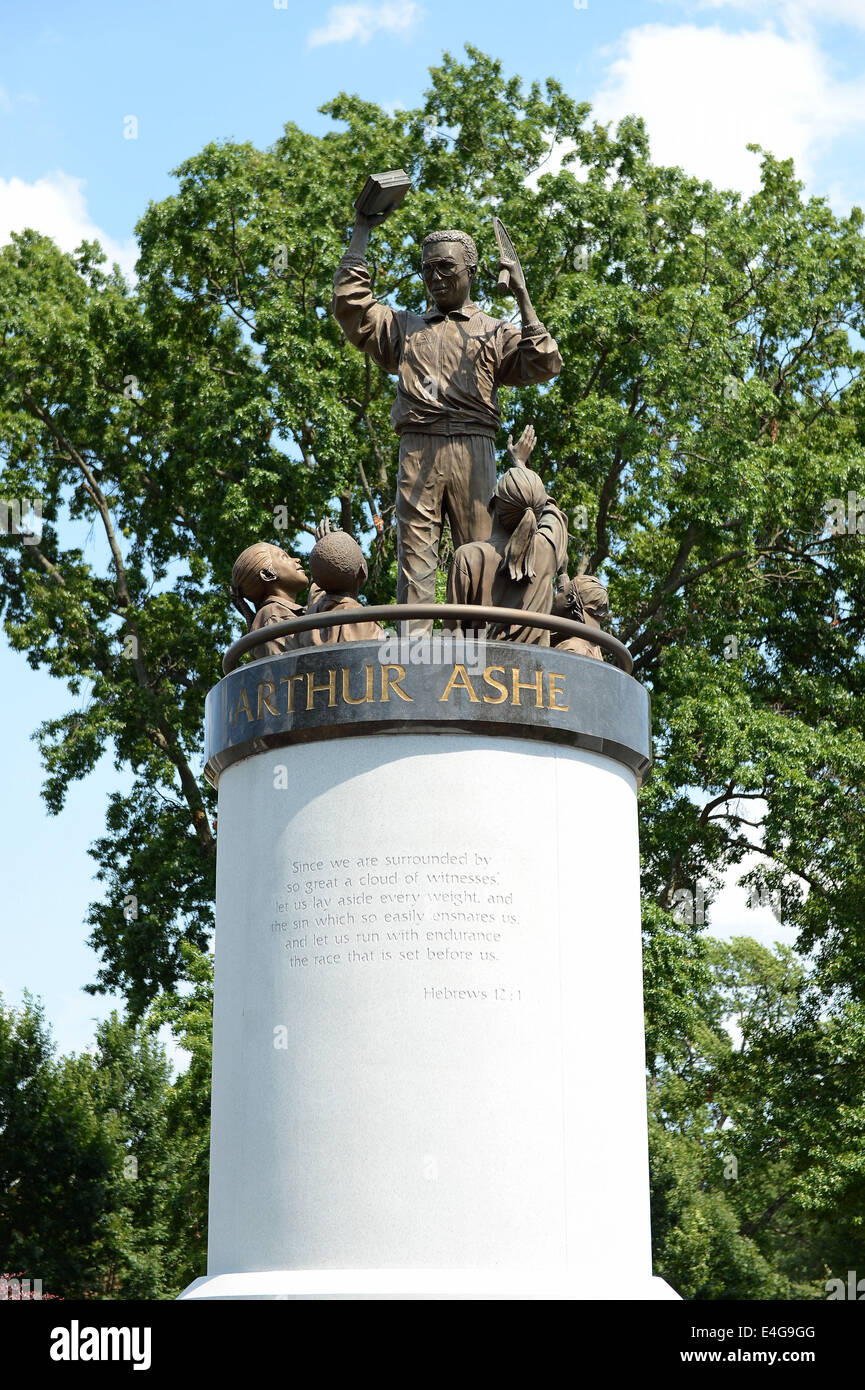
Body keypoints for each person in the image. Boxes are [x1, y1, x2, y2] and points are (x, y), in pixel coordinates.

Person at [332, 209, 562, 621]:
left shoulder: (495, 331)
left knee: (480, 554)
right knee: (414, 557)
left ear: (471, 271)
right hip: (417, 447)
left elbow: (544, 363)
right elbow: (352, 307)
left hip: (474, 448)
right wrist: (362, 229)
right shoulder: (406, 327)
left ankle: (482, 648)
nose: (435, 277)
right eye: (427, 269)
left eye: (445, 267)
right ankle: (415, 652)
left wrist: (523, 297)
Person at [446, 465, 568, 646]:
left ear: (492, 502)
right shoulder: (547, 551)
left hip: (480, 669)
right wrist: (521, 465)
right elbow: (553, 514)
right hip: (536, 669)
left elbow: (452, 635)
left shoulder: (468, 557)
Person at [298, 521, 384, 646]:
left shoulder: (310, 616)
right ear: (363, 571)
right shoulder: (364, 621)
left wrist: (326, 552)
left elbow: (323, 591)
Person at [231, 542, 307, 660]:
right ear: (267, 574)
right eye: (284, 557)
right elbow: (289, 672)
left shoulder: (279, 612)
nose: (297, 560)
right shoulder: (274, 614)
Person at [551, 574, 610, 659]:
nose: (556, 596)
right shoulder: (595, 650)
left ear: (570, 600)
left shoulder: (571, 648)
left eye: (561, 591)